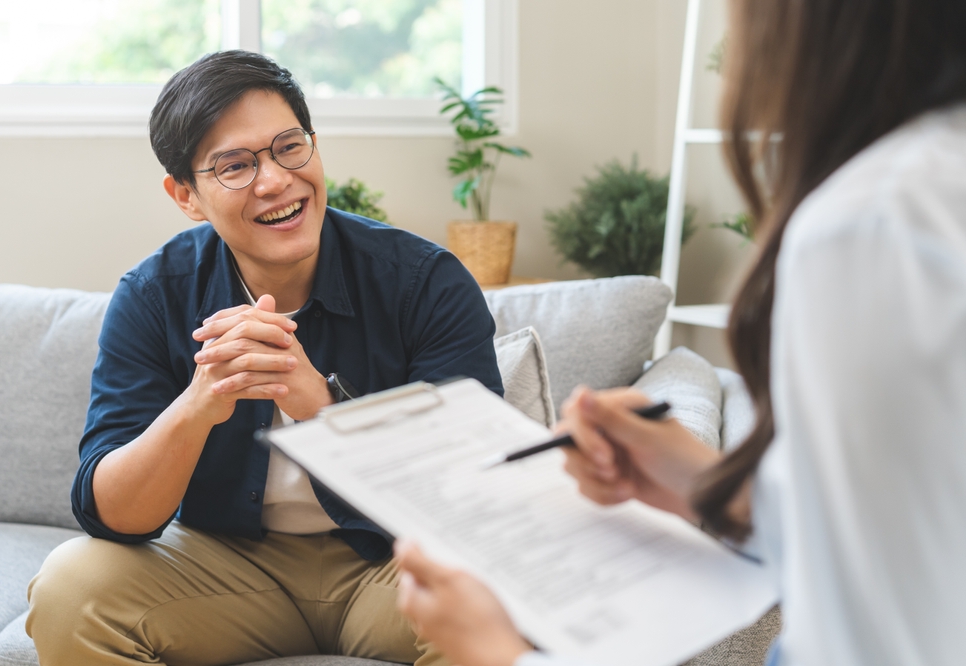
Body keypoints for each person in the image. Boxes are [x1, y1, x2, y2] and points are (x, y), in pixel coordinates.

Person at [395, 1, 966, 665]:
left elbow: (879, 635)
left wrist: (503, 654)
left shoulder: (875, 224)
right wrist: (713, 490)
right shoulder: (924, 191)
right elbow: (898, 531)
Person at [26, 50, 502, 666]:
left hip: (394, 567)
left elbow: (471, 488)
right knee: (71, 588)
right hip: (228, 571)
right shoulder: (153, 295)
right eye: (235, 165)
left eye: (289, 147)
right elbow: (113, 515)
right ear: (186, 195)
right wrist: (199, 404)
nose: (276, 180)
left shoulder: (424, 281)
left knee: (498, 590)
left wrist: (316, 404)